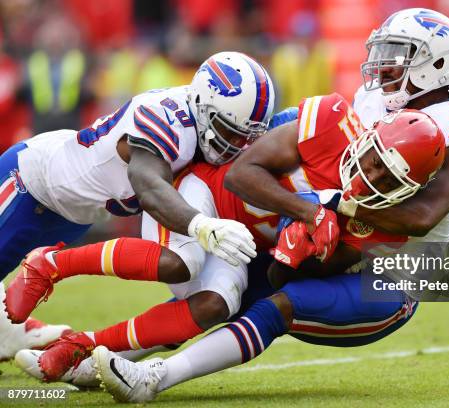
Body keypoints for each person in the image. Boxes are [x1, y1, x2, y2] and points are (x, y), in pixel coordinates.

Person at [91, 8, 449, 403]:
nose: (383, 64)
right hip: (330, 243)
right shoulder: (372, 102)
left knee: (277, 308)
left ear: (435, 64)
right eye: (384, 51)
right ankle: (83, 356)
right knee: (214, 299)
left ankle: (158, 378)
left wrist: (331, 204)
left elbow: (423, 218)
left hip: (390, 276)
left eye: (398, 54)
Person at [16, 94, 444, 385]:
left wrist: (292, 254)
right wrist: (309, 211)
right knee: (180, 262)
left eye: (390, 178)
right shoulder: (330, 122)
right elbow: (241, 175)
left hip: (240, 242)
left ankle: (83, 347)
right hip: (204, 194)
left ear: (407, 190)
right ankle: (52, 264)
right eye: (374, 160)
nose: (372, 174)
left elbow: (280, 279)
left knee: (213, 304)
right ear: (368, 137)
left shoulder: (381, 224)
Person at [0, 51, 275, 360]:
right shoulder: (165, 117)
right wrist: (203, 225)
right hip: (31, 181)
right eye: (229, 131)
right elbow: (148, 184)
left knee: (183, 264)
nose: (236, 145)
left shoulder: (201, 123)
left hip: (75, 213)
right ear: (202, 106)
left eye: (245, 137)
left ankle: (6, 334)